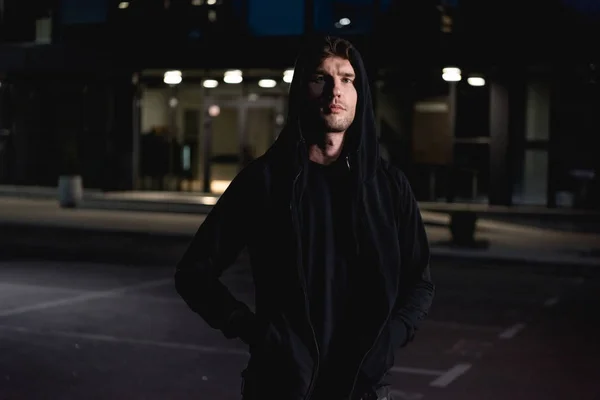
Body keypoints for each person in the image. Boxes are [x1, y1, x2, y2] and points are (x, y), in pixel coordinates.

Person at [174, 35, 434, 400]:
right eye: (321, 79)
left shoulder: (389, 187)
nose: (335, 91)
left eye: (347, 79)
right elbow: (193, 273)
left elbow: (419, 283)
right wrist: (251, 329)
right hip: (279, 386)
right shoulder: (264, 181)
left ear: (361, 94)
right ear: (301, 90)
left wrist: (390, 338)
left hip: (361, 390)